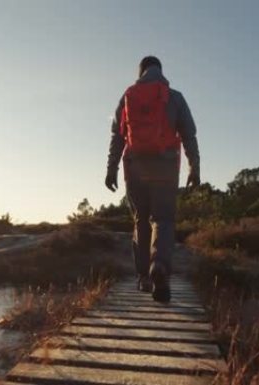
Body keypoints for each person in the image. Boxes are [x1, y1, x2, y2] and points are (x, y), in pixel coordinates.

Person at [105, 56, 200, 302]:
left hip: (134, 166)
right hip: (165, 166)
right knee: (163, 220)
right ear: (160, 71)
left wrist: (111, 168)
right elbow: (189, 134)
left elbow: (117, 136)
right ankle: (159, 268)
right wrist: (194, 167)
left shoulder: (128, 96)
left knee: (141, 221)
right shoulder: (174, 97)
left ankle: (144, 278)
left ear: (141, 72)